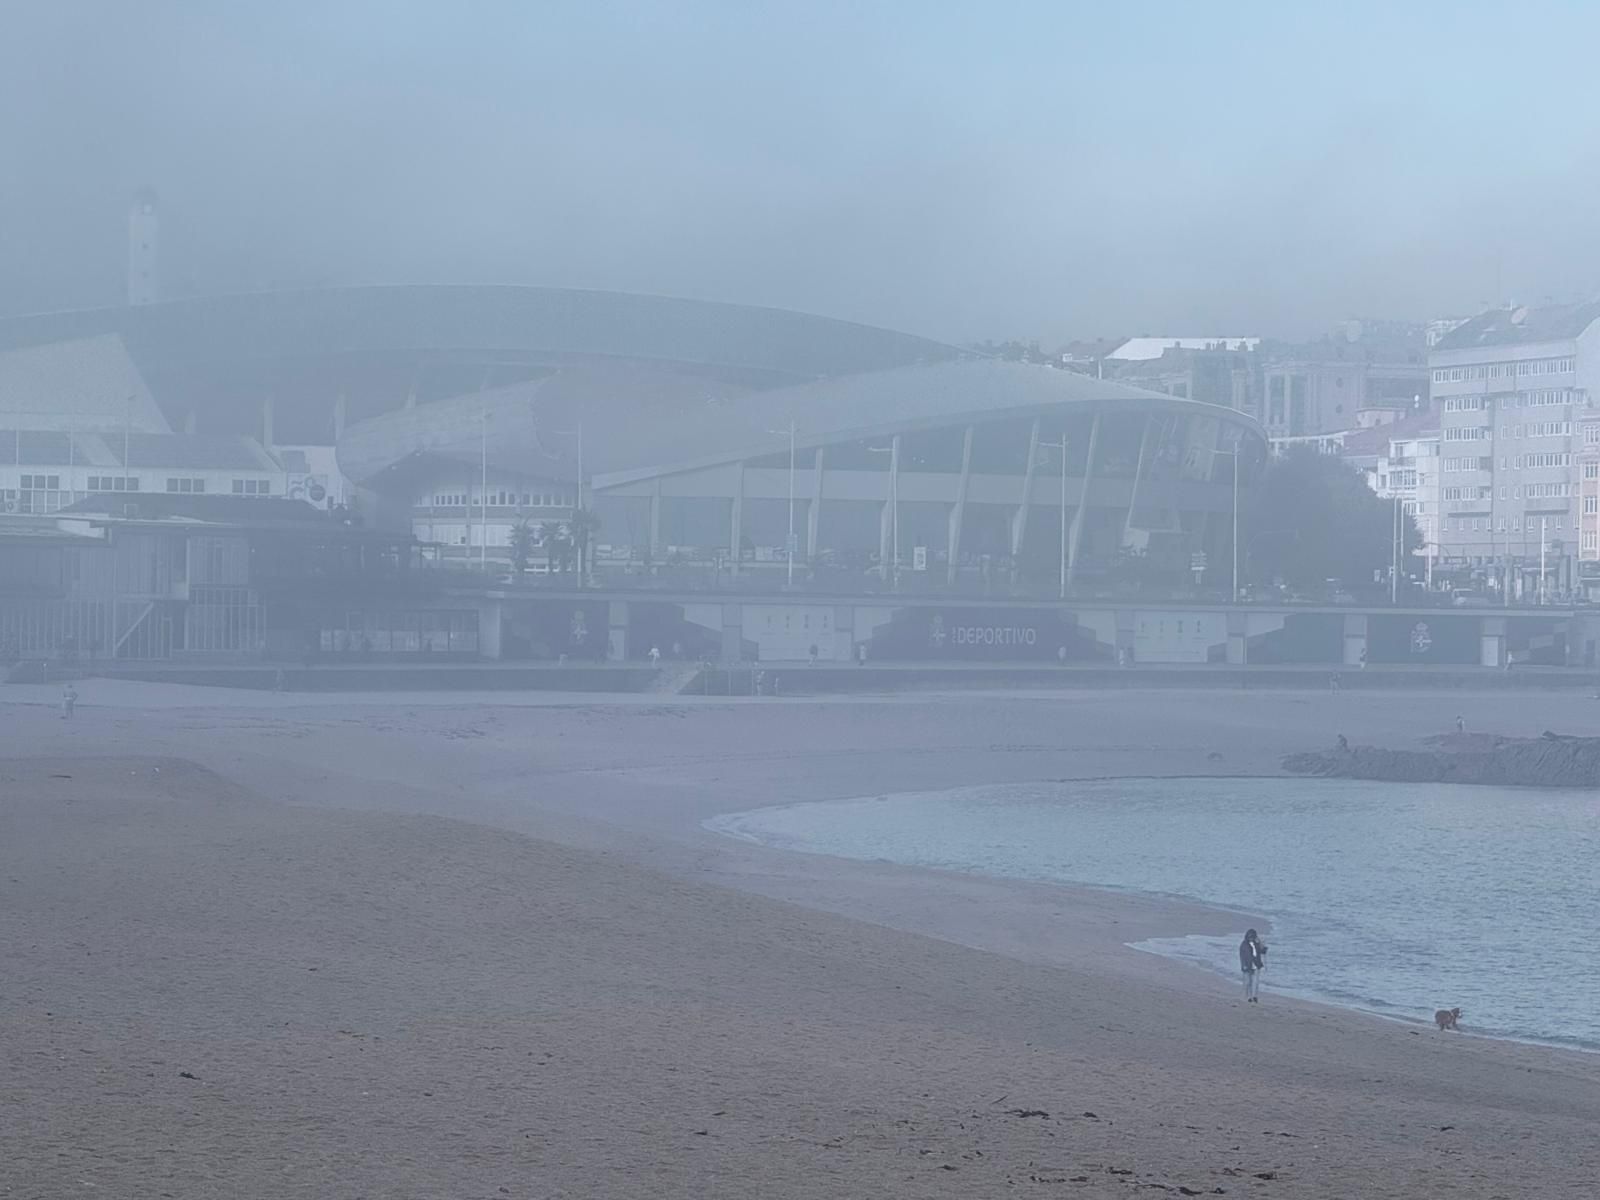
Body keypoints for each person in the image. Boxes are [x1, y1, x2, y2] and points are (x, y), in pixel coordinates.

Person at [1239, 929, 1267, 1003]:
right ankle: (1248, 997)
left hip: (1256, 965)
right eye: (1250, 937)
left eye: (1253, 937)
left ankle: (1254, 996)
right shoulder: (1244, 944)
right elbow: (1242, 956)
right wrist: (1244, 965)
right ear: (1247, 937)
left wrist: (1260, 942)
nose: (1251, 938)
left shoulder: (1256, 944)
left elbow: (1263, 951)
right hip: (1247, 965)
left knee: (1255, 982)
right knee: (1248, 982)